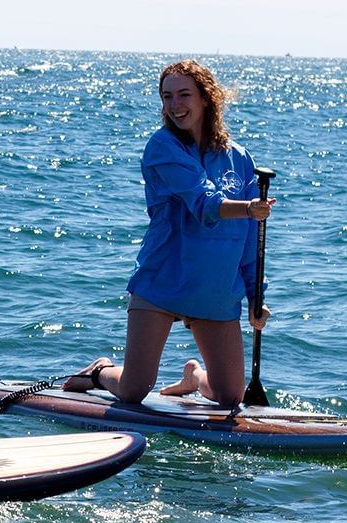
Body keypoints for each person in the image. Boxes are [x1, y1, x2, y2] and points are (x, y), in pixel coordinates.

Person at [63, 60, 275, 407]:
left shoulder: (239, 158)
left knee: (229, 397)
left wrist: (256, 296)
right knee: (134, 389)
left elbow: (251, 239)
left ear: (207, 98)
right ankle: (100, 371)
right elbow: (204, 201)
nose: (175, 105)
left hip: (214, 286)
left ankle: (194, 377)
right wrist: (248, 207)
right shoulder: (162, 147)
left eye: (184, 95)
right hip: (164, 279)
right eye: (167, 97)